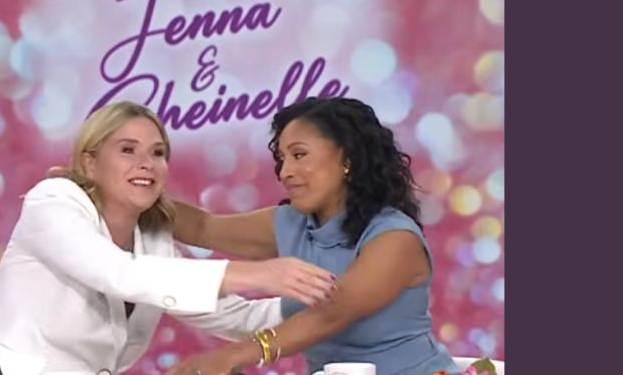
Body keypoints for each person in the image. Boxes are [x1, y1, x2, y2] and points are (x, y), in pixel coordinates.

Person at [0, 101, 336, 375]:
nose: (147, 163)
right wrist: (261, 273)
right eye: (128, 150)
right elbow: (116, 272)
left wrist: (330, 300)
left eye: (157, 153)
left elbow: (237, 318)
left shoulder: (154, 242)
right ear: (90, 162)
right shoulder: (53, 201)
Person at [167, 97, 458, 375]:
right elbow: (202, 227)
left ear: (347, 158)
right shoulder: (292, 224)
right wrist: (140, 196)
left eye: (299, 155)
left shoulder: (395, 237)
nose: (285, 172)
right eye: (282, 159)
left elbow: (332, 313)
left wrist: (235, 354)